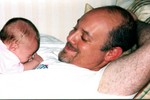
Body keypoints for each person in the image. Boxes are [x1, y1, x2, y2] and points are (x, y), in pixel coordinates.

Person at [0, 6, 149, 99]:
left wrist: (133, 22)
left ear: (111, 53)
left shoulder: (102, 84)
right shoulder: (47, 40)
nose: (70, 37)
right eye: (74, 28)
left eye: (84, 37)